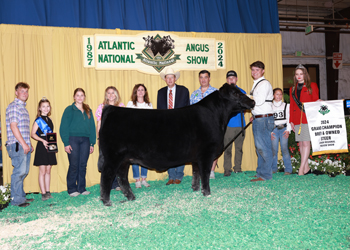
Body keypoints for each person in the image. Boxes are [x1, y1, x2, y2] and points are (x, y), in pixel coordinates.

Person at [60, 88, 96, 197]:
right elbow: (63, 127)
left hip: (85, 140)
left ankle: (81, 188)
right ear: (74, 97)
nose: (80, 97)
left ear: (84, 97)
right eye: (77, 95)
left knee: (83, 165)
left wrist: (92, 143)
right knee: (74, 165)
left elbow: (92, 127)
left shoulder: (88, 110)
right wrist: (66, 143)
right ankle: (72, 189)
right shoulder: (69, 110)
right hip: (73, 139)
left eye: (82, 95)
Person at [157, 67, 190, 185]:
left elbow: (188, 109)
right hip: (166, 127)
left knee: (181, 150)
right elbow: (159, 112)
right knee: (168, 151)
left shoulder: (184, 90)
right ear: (165, 79)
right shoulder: (160, 92)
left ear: (175, 78)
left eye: (172, 77)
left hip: (181, 126)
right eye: (168, 77)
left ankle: (179, 176)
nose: (170, 79)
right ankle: (171, 176)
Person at [5, 82, 34, 207]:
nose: (25, 93)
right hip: (17, 145)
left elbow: (24, 129)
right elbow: (13, 126)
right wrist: (23, 144)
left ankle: (21, 196)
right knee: (19, 171)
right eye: (22, 91)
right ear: (16, 92)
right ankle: (16, 200)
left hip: (23, 144)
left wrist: (29, 143)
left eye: (26, 91)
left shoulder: (23, 108)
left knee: (24, 171)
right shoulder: (14, 107)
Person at [289, 64, 319, 176]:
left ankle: (301, 169)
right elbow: (292, 105)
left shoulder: (312, 86)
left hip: (307, 118)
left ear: (305, 74)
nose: (299, 76)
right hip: (296, 119)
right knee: (301, 144)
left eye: (301, 74)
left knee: (306, 143)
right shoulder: (293, 88)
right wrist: (291, 120)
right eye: (297, 74)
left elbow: (315, 100)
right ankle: (306, 168)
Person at [190, 70, 218, 179]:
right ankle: (200, 170)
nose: (203, 79)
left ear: (209, 79)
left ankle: (211, 170)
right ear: (199, 79)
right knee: (198, 148)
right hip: (197, 127)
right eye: (201, 77)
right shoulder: (194, 94)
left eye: (205, 77)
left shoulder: (216, 92)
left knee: (213, 147)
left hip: (212, 125)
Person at [249, 61, 274, 182]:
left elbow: (258, 101)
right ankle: (261, 172)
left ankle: (266, 175)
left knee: (263, 147)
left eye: (257, 70)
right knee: (259, 147)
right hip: (259, 117)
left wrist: (247, 98)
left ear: (263, 71)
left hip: (263, 118)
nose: (254, 72)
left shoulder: (264, 84)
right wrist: (253, 114)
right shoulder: (257, 84)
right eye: (253, 70)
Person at [95, 86, 124, 191]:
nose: (111, 95)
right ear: (106, 95)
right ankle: (106, 184)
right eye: (109, 93)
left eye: (113, 93)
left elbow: (123, 124)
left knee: (117, 161)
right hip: (106, 138)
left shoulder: (121, 106)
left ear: (116, 94)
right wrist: (99, 138)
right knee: (105, 161)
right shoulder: (101, 107)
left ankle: (116, 184)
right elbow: (99, 124)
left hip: (117, 139)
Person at [127, 84, 153, 188]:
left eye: (142, 90)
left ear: (145, 92)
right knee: (134, 158)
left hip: (145, 135)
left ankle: (144, 179)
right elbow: (127, 119)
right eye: (138, 90)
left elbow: (151, 120)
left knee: (144, 157)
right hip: (133, 135)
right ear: (135, 92)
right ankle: (137, 180)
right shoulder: (130, 104)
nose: (141, 92)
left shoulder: (149, 105)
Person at [31, 98, 57, 201]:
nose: (46, 108)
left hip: (50, 146)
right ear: (39, 108)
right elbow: (32, 134)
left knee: (48, 170)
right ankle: (43, 193)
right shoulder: (38, 120)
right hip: (42, 146)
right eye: (43, 106)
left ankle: (48, 191)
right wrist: (42, 141)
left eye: (47, 106)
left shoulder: (49, 120)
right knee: (42, 171)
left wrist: (53, 145)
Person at [222, 70, 246, 176]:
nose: (231, 80)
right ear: (227, 80)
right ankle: (227, 168)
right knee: (227, 148)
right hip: (228, 125)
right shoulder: (223, 94)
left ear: (236, 79)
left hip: (240, 124)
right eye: (229, 78)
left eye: (233, 78)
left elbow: (245, 108)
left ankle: (238, 167)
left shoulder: (242, 92)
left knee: (239, 148)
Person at [271, 88, 293, 175]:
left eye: (280, 94)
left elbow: (288, 118)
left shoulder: (286, 106)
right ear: (273, 95)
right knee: (274, 150)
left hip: (283, 129)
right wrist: (270, 131)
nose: (279, 96)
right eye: (277, 94)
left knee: (284, 149)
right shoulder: (270, 106)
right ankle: (273, 168)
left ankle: (288, 169)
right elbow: (269, 120)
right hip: (274, 130)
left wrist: (288, 130)